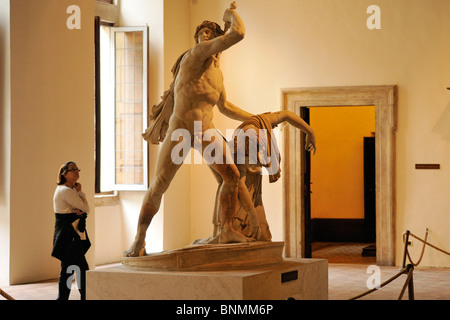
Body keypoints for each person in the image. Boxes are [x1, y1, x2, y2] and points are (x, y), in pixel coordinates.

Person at [124, 2, 260, 257]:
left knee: (230, 176)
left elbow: (225, 106)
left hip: (204, 130)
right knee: (159, 185)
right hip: (181, 131)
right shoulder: (196, 55)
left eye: (210, 33)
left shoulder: (217, 74)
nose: (205, 37)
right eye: (202, 33)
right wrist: (230, 14)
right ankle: (139, 240)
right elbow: (239, 33)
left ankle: (226, 230)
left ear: (216, 40)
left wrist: (255, 118)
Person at [205, 111, 316, 243]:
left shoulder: (261, 123)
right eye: (255, 150)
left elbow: (287, 115)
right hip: (240, 200)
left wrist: (310, 132)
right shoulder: (241, 150)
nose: (259, 154)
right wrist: (252, 216)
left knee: (263, 236)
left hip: (255, 194)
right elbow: (240, 186)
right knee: (250, 234)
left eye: (260, 148)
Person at [51, 161, 90, 300]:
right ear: (64, 174)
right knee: (81, 270)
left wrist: (78, 193)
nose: (76, 171)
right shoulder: (65, 190)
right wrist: (80, 192)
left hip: (70, 235)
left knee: (69, 270)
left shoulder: (69, 190)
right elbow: (86, 208)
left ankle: (63, 298)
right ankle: (84, 297)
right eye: (72, 169)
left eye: (77, 169)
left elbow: (83, 209)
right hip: (69, 236)